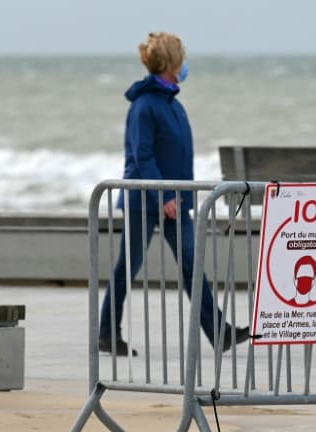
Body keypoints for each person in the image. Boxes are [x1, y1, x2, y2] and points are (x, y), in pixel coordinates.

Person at [99, 32, 249, 356]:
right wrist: (163, 196)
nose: (185, 64)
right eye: (181, 57)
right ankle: (107, 333)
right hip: (147, 201)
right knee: (128, 267)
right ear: (172, 63)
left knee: (191, 267)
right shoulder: (145, 106)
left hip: (174, 202)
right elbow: (142, 156)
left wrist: (175, 197)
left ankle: (219, 332)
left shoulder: (172, 104)